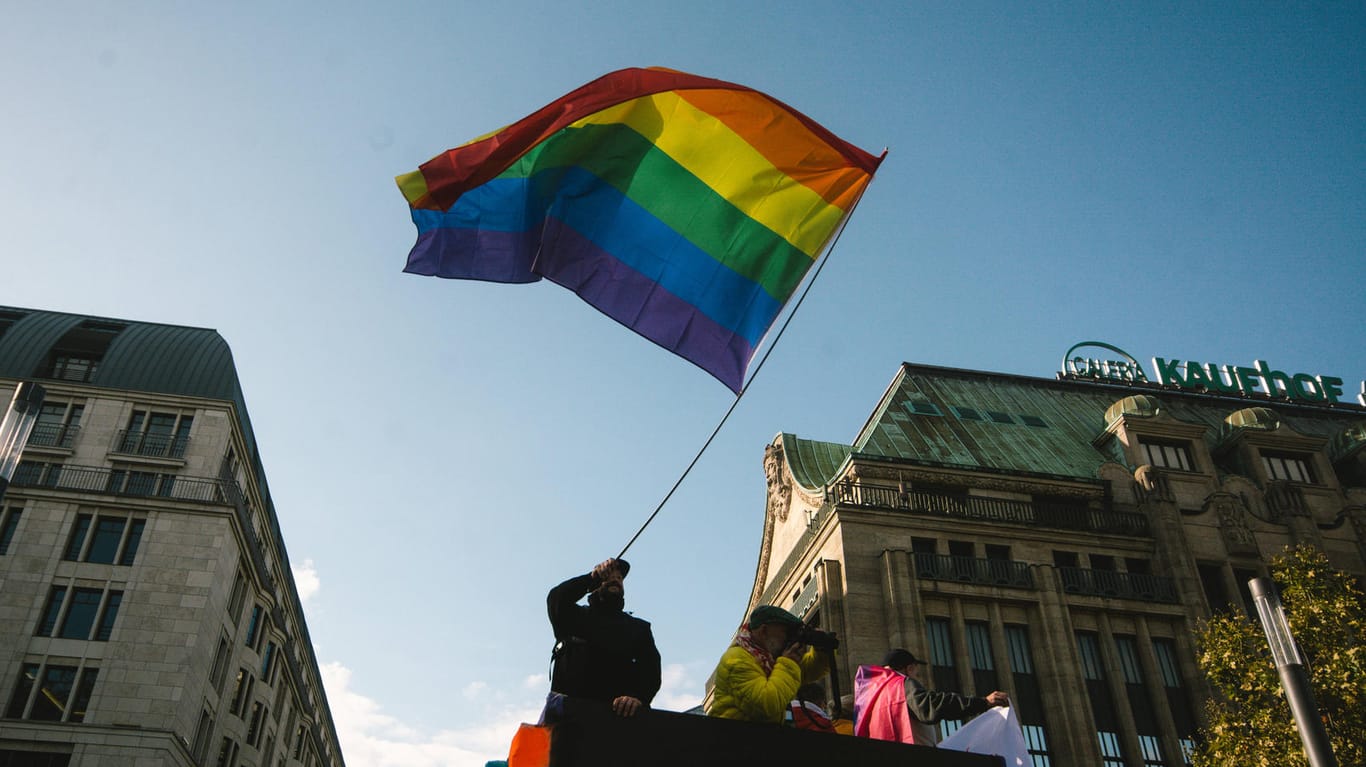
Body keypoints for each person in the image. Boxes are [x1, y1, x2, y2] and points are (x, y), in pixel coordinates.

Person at [546, 558, 661, 718]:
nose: (615, 580)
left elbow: (651, 670)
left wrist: (638, 698)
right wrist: (591, 577)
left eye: (620, 578)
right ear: (595, 585)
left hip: (616, 719)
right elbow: (556, 599)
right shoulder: (575, 618)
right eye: (608, 576)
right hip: (568, 719)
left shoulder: (638, 628)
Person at [857, 648, 1009, 746]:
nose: (917, 677)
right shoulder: (901, 684)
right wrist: (983, 703)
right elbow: (932, 706)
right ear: (909, 668)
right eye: (916, 673)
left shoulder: (872, 694)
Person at [706, 605, 828, 723]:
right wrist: (788, 663)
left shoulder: (769, 658)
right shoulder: (737, 659)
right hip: (730, 738)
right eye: (786, 632)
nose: (789, 639)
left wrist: (821, 651)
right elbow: (767, 705)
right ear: (764, 631)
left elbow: (809, 671)